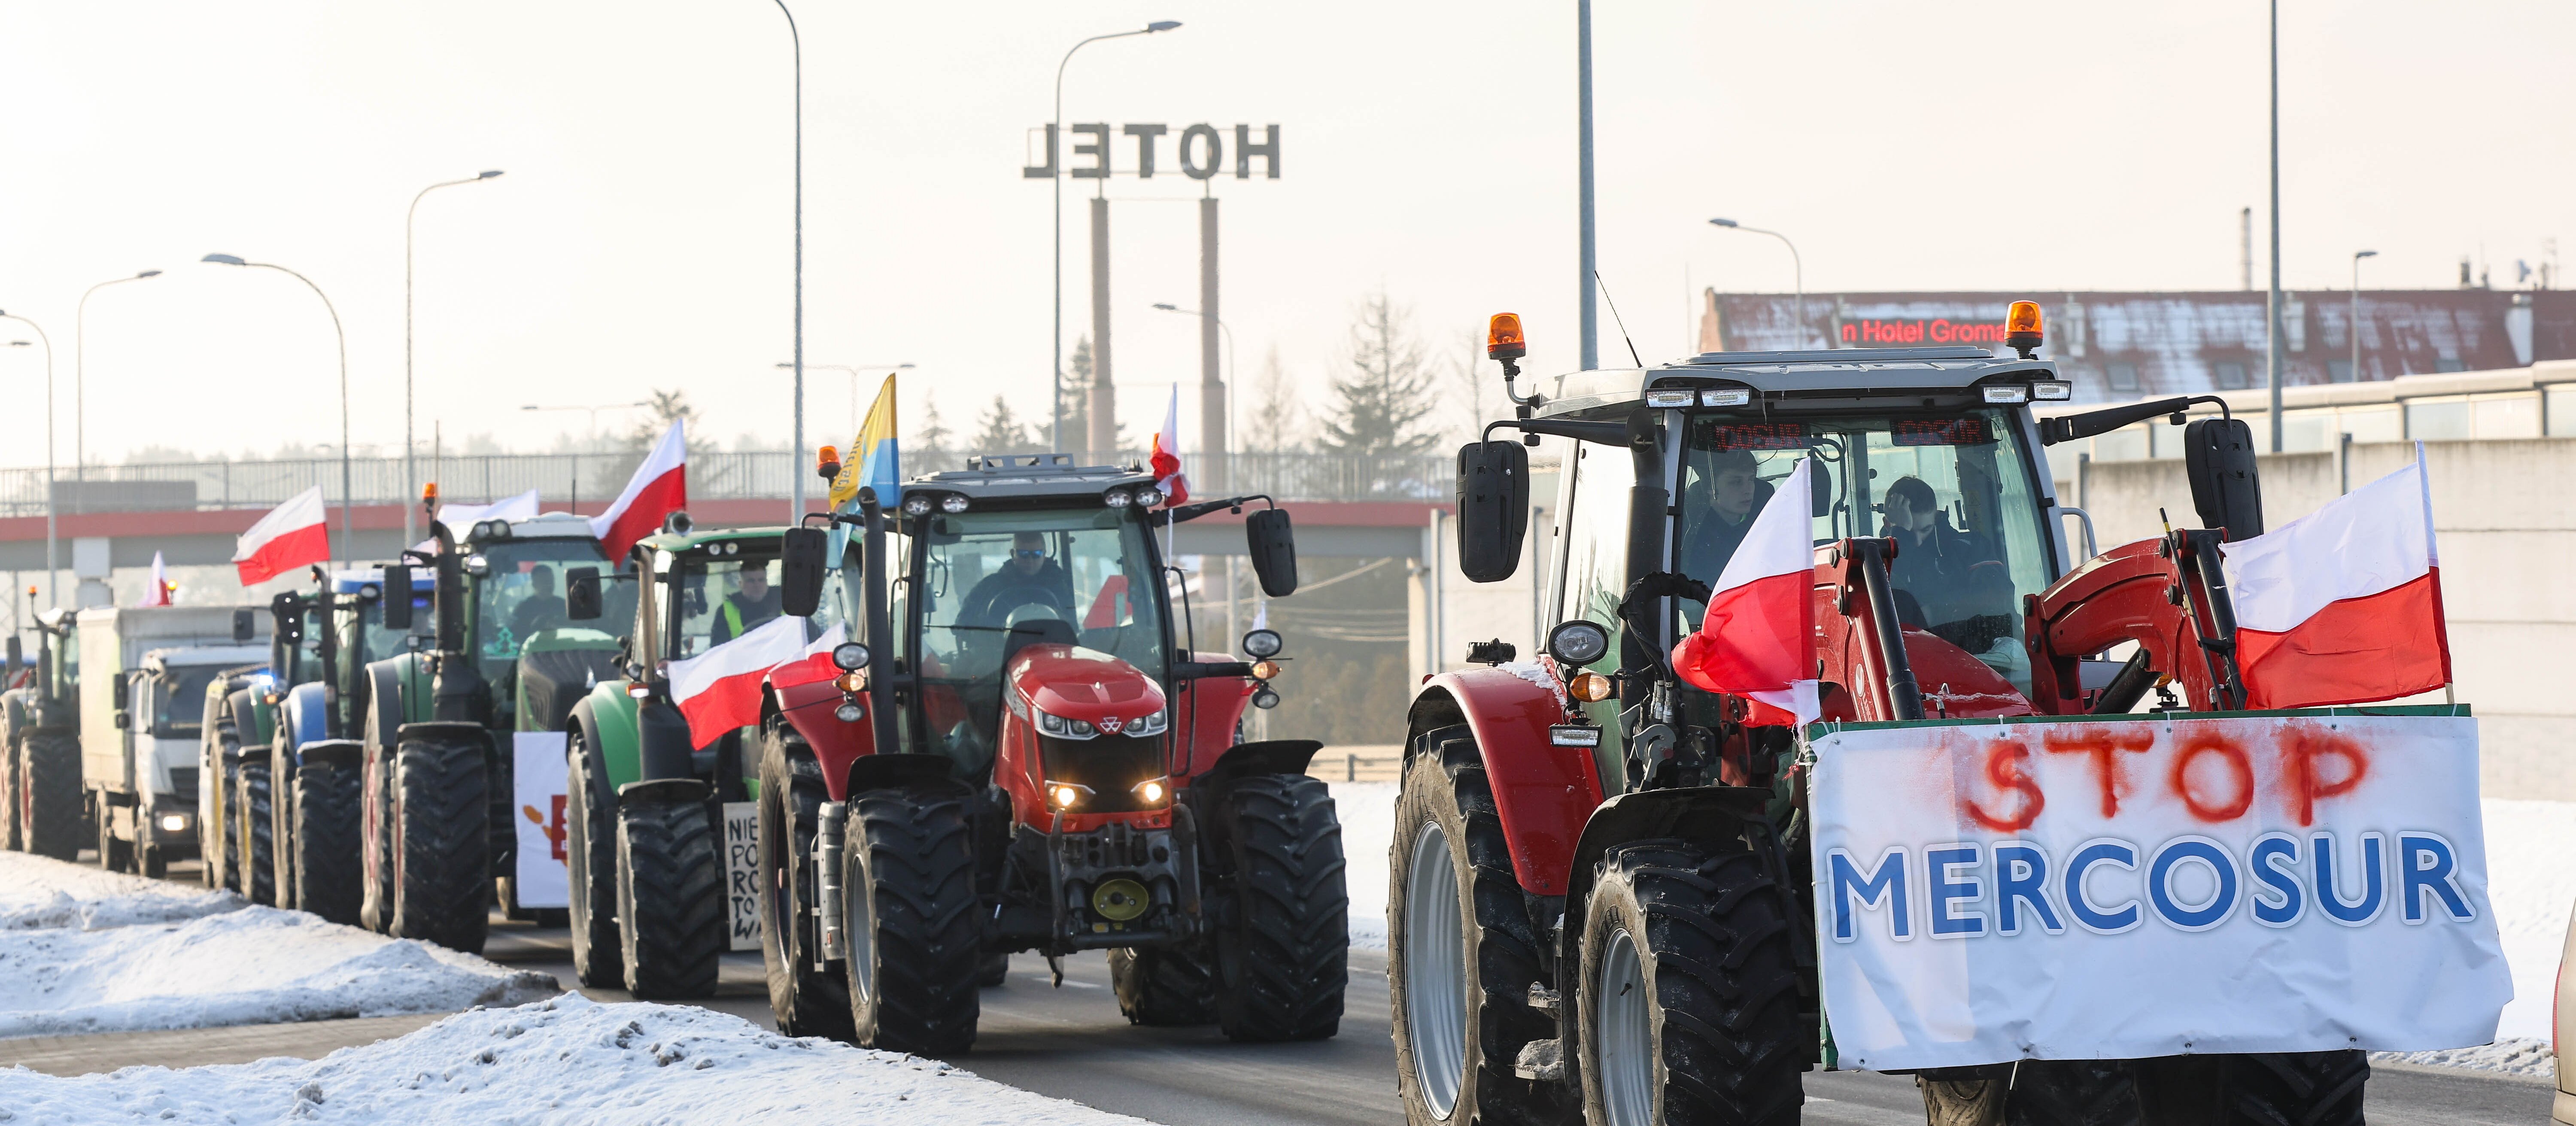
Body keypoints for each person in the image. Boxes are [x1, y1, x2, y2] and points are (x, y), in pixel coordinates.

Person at [1881, 476, 1994, 620]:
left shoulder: (1971, 547)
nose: (1918, 542)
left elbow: (1997, 599)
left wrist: (1932, 611)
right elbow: (1883, 606)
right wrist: (1901, 539)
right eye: (1909, 532)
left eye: (1925, 530)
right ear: (1887, 524)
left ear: (1936, 517)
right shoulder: (1874, 563)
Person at [1679, 449, 1771, 581]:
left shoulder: (1769, 523)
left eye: (1751, 480)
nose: (1748, 490)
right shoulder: (1685, 532)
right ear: (1711, 488)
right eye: (1736, 482)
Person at [959, 532, 1075, 628]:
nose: (1030, 560)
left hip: (1054, 647)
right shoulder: (989, 587)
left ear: (1044, 555)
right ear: (1013, 554)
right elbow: (962, 625)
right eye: (1023, 554)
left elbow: (1073, 625)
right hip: (999, 649)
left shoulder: (1062, 585)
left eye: (1036, 554)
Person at [709, 566, 783, 645]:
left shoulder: (786, 603)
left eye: (761, 580)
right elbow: (719, 648)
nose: (757, 585)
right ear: (741, 584)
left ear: (767, 582)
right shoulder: (726, 611)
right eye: (751, 581)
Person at [507, 566, 568, 640]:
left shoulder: (564, 606)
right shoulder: (523, 608)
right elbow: (514, 634)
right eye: (545, 582)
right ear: (534, 584)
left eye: (551, 581)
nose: (549, 585)